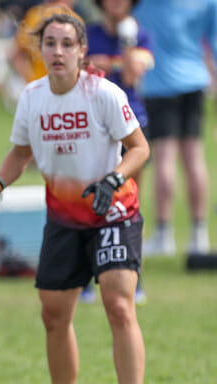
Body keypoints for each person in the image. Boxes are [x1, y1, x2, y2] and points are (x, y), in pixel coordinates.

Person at [0, 9, 151, 384]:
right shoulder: (33, 97)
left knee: (118, 303)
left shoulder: (104, 93)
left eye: (66, 44)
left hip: (114, 211)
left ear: (81, 51)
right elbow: (20, 153)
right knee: (54, 315)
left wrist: (113, 179)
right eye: (49, 43)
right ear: (40, 50)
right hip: (64, 218)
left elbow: (139, 147)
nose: (57, 52)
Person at [81, 0, 153, 304]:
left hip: (131, 126)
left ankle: (133, 279)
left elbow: (132, 75)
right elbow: (81, 72)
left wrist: (125, 43)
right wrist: (104, 64)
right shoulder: (87, 33)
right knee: (85, 201)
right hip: (93, 125)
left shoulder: (141, 36)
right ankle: (83, 278)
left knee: (128, 203)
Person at [134, 0, 215, 256]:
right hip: (195, 82)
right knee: (194, 159)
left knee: (165, 160)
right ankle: (198, 235)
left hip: (159, 86)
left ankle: (164, 233)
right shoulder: (206, 3)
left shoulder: (145, 5)